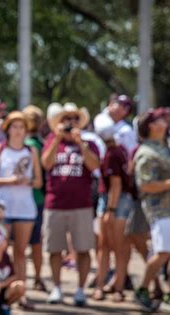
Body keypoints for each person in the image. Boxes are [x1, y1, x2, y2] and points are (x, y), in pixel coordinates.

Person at [41, 102, 100, 306]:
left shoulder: (88, 143)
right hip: (55, 204)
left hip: (81, 205)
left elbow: (94, 166)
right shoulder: (51, 140)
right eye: (66, 119)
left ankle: (81, 290)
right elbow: (46, 163)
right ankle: (57, 288)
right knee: (54, 249)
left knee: (84, 249)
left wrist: (81, 144)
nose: (70, 123)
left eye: (74, 119)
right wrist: (58, 138)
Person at [0, 111, 42, 307]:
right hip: (2, 207)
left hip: (25, 207)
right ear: (8, 129)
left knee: (20, 252)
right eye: (15, 126)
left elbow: (38, 182)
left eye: (22, 127)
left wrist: (28, 181)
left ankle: (21, 292)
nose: (19, 131)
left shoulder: (31, 150)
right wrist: (8, 180)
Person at [133, 110, 170, 313]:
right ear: (151, 126)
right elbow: (145, 185)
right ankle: (143, 289)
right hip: (161, 210)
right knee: (163, 252)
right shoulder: (146, 152)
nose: (164, 122)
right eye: (159, 120)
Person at [93, 116, 133, 302]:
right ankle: (110, 286)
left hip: (115, 201)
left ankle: (116, 287)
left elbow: (115, 185)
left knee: (113, 247)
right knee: (110, 247)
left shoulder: (111, 153)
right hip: (115, 200)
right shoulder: (120, 149)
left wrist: (110, 209)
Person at [22, 105, 47, 292]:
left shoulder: (28, 145)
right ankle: (38, 277)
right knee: (36, 242)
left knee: (23, 244)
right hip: (38, 198)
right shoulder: (42, 143)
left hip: (27, 197)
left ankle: (25, 278)